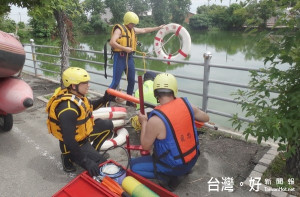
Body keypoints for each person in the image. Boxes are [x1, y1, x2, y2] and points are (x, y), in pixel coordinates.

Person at [130, 73, 209, 191]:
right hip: (192, 159)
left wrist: (144, 122)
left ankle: (167, 177)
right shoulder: (188, 106)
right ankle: (182, 171)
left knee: (133, 166)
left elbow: (145, 146)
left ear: (155, 93)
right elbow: (206, 118)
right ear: (174, 90)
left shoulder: (155, 120)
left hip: (174, 166)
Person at [46, 67, 113, 177]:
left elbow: (89, 106)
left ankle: (92, 152)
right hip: (74, 145)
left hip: (83, 136)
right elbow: (69, 140)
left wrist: (104, 99)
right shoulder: (68, 109)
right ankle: (68, 158)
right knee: (102, 167)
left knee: (108, 125)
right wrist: (86, 161)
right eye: (85, 83)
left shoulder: (77, 96)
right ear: (73, 86)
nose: (88, 85)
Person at [109, 11, 164, 106]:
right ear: (127, 21)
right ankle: (107, 99)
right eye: (132, 23)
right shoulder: (119, 30)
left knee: (131, 80)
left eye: (134, 24)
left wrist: (158, 28)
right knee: (115, 82)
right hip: (120, 57)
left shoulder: (133, 30)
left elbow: (144, 30)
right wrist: (124, 48)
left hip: (129, 58)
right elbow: (112, 42)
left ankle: (129, 101)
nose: (133, 25)